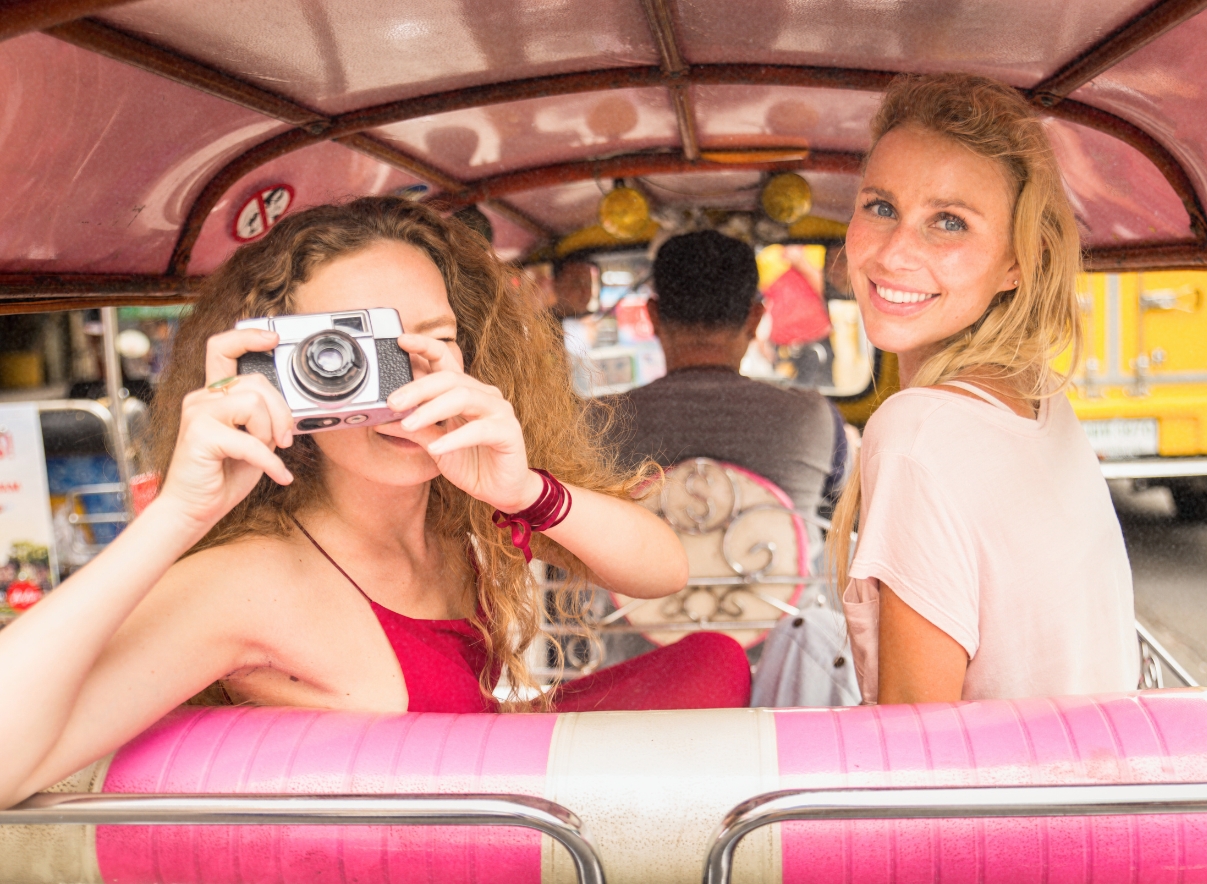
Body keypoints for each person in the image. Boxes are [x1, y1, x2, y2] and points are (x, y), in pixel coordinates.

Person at [0, 197, 752, 809]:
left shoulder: (462, 511)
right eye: (348, 354)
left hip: (497, 809)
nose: (398, 390)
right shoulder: (253, 580)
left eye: (429, 343)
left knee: (713, 661)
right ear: (271, 370)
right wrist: (176, 518)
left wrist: (528, 492)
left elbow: (665, 572)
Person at [830, 73, 1138, 705]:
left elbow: (917, 756)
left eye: (949, 222)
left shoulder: (918, 431)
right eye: (881, 207)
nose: (894, 254)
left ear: (1016, 261)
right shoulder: (1039, 398)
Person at [611, 230, 844, 517]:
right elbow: (848, 499)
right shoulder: (813, 416)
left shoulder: (601, 423)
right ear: (755, 319)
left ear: (653, 316)